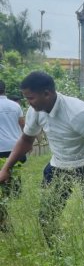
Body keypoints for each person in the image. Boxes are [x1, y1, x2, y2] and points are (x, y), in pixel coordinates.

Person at [0, 71, 84, 250]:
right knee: (46, 217)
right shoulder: (35, 111)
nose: (28, 103)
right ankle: (60, 257)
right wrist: (6, 168)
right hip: (59, 165)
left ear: (47, 93)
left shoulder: (77, 113)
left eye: (31, 98)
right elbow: (25, 140)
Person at [0, 80, 25, 231]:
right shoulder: (15, 105)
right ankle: (13, 193)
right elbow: (23, 124)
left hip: (0, 147)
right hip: (15, 146)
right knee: (13, 172)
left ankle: (5, 200)